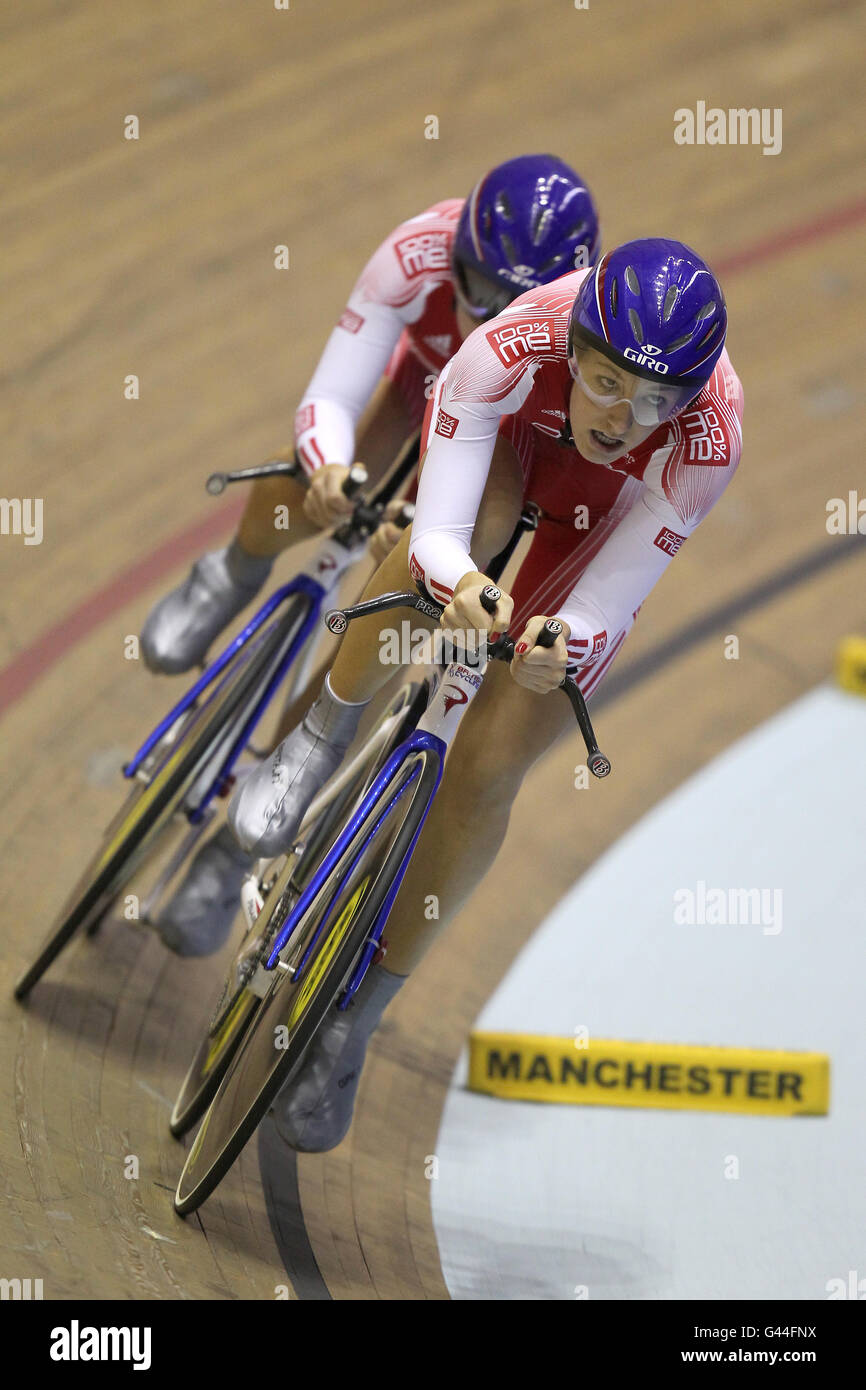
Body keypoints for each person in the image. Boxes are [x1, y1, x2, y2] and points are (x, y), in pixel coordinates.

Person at [226, 237, 745, 1153]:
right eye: (608, 381)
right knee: (434, 575)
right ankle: (315, 742)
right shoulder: (518, 338)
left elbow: (616, 592)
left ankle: (358, 1019)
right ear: (574, 348)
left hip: (605, 521)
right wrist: (459, 576)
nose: (626, 416)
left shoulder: (710, 438)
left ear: (691, 398)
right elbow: (441, 523)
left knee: (498, 758)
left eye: (657, 399)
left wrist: (563, 644)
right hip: (507, 458)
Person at [147, 155, 601, 954]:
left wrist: (429, 542)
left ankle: (230, 850)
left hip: (504, 444)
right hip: (427, 394)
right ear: (453, 247)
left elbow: (494, 484)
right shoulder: (417, 250)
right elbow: (332, 392)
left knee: (395, 629)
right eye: (476, 283)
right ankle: (232, 570)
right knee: (316, 470)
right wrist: (328, 466)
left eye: (511, 300)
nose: (487, 311)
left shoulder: (575, 351)